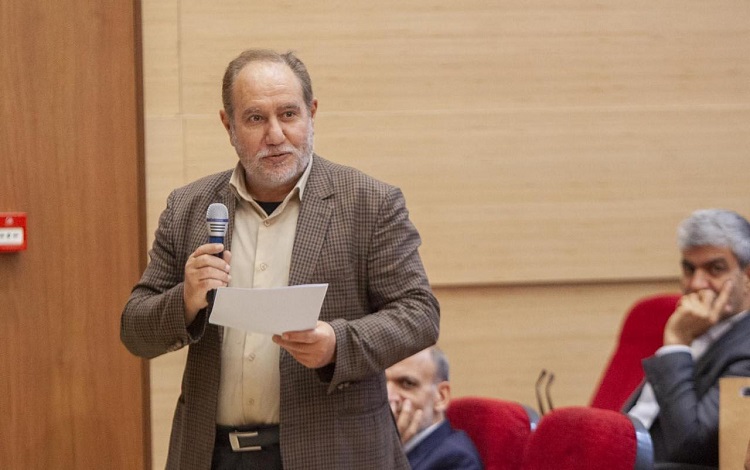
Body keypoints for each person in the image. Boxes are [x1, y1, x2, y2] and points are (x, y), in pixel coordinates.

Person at [120, 48, 440, 470]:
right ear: (228, 125)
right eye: (255, 118)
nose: (275, 134)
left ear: (312, 113)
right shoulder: (189, 208)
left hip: (332, 454)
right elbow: (135, 330)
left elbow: (419, 314)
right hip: (212, 455)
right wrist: (186, 298)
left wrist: (337, 344)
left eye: (288, 114)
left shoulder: (369, 203)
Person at [623, 209, 750, 469]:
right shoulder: (697, 327)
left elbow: (691, 446)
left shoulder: (744, 347)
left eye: (715, 269)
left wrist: (676, 344)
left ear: (747, 276)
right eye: (689, 269)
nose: (696, 284)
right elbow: (641, 416)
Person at [386, 347, 483, 470]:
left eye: (407, 383)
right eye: (381, 385)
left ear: (441, 397)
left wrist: (389, 453)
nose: (388, 396)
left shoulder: (457, 459)